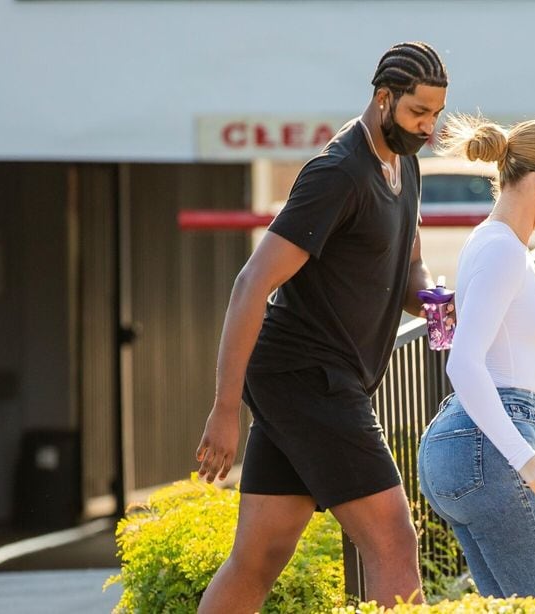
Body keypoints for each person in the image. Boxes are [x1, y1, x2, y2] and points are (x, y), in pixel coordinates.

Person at [193, 42, 449, 611]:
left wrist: (439, 303)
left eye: (435, 114)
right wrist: (225, 410)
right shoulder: (337, 173)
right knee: (393, 540)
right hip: (309, 379)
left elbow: (408, 266)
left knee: (258, 557)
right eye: (417, 113)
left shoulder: (404, 164)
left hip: (318, 382)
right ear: (384, 99)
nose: (428, 127)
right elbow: (250, 284)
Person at [417, 114, 535, 598]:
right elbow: (464, 363)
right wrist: (523, 457)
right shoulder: (503, 249)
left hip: (473, 442)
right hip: (488, 446)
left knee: (509, 606)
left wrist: (526, 449)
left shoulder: (490, 242)